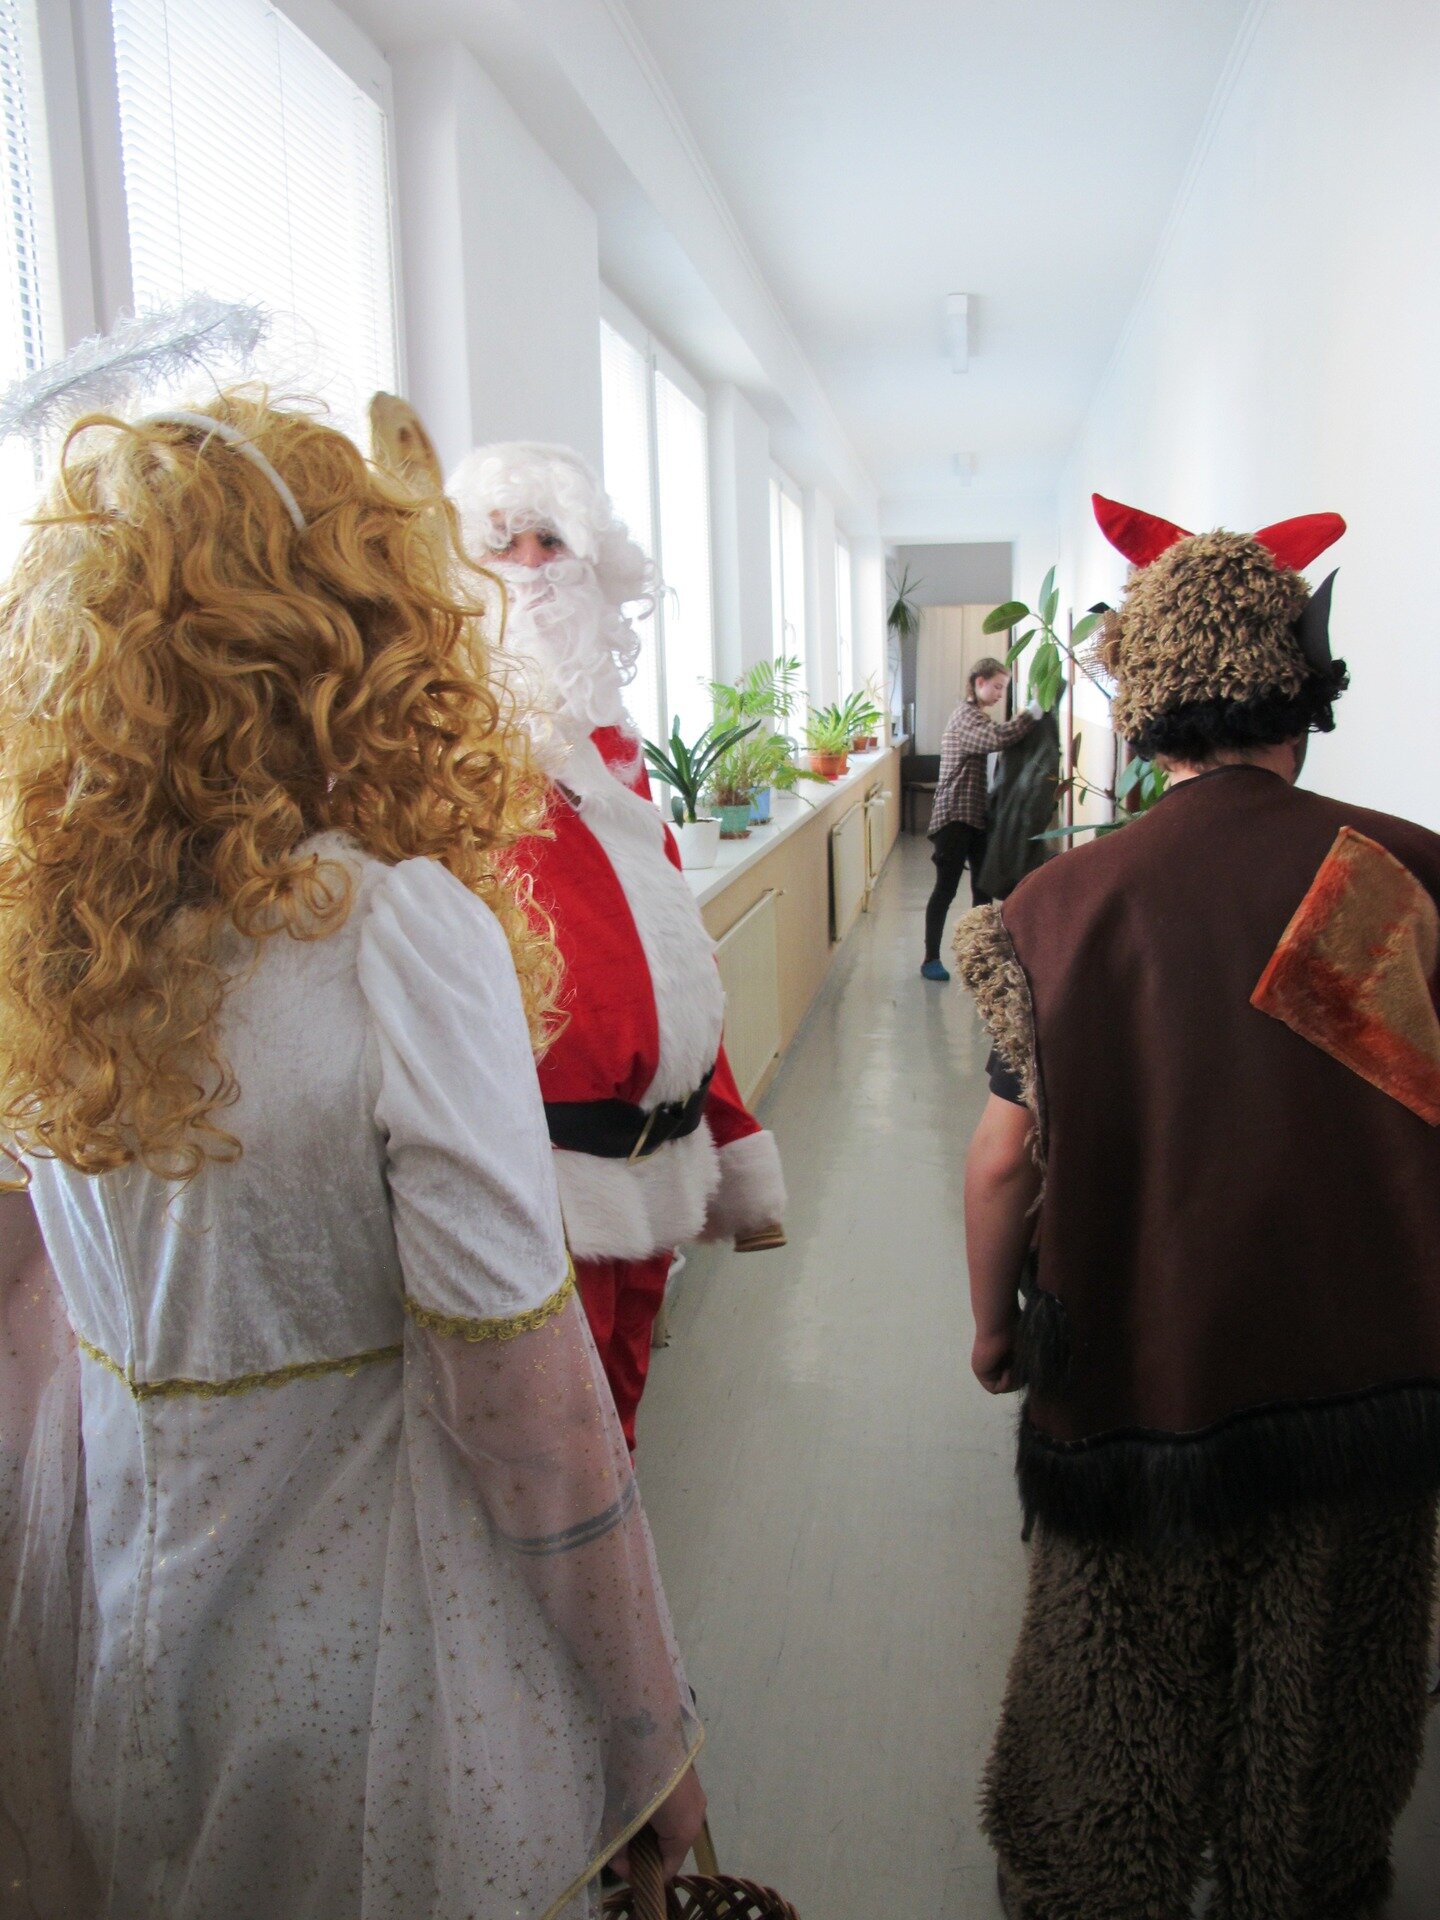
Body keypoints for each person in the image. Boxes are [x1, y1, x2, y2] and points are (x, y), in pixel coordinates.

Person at [0, 390, 705, 1918]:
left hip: (115, 1643)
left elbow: (19, 1328)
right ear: (354, 632)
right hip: (373, 1674)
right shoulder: (394, 931)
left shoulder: (48, 946)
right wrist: (648, 1735)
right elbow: (523, 1404)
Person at [955, 492, 1440, 1920]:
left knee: (1118, 1663)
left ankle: (1095, 1881)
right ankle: (1311, 1878)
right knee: (1337, 1668)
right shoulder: (1407, 871)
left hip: (1138, 1364)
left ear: (1144, 703)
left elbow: (1003, 1162)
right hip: (1369, 1369)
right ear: (1306, 690)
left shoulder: (1061, 904)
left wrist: (994, 1331)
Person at [447, 442, 787, 1450]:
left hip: (657, 1163)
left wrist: (729, 1129)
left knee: (620, 1417)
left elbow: (679, 968)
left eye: (553, 543)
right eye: (502, 546)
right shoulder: (440, 763)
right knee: (557, 1446)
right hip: (545, 1180)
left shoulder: (616, 758)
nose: (532, 568)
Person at [921, 658, 1037, 981]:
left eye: (1004, 688)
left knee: (983, 890)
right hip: (954, 818)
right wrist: (1031, 715)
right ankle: (930, 959)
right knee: (945, 889)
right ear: (979, 682)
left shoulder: (978, 716)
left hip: (975, 817)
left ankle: (980, 957)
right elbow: (994, 739)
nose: (1000, 693)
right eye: (997, 686)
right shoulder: (965, 717)